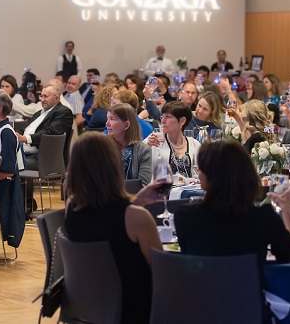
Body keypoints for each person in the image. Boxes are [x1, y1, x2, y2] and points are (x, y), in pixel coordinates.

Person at [175, 141, 290, 322]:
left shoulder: (185, 217)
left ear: (210, 176)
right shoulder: (262, 217)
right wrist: (287, 211)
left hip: (199, 311)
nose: (198, 173)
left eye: (201, 169)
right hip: (249, 312)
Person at [64, 132, 161, 324]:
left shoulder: (71, 207)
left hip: (89, 305)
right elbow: (161, 270)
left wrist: (136, 201)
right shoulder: (137, 218)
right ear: (114, 166)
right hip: (134, 310)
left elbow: (104, 214)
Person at [15, 85, 73, 171]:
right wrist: (14, 133)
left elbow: (51, 133)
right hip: (24, 152)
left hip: (43, 159)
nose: (42, 99)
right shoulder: (39, 113)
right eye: (41, 96)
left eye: (46, 96)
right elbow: (27, 130)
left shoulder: (63, 112)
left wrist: (26, 139)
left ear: (57, 97)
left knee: (9, 164)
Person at [144, 101, 201, 178]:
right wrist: (145, 146)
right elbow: (135, 162)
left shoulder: (194, 144)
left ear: (182, 121)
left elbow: (201, 173)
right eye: (162, 117)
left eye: (168, 117)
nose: (163, 121)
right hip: (163, 189)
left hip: (190, 189)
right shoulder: (154, 140)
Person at [106, 103, 153, 185]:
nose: (107, 123)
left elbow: (143, 186)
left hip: (135, 197)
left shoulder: (143, 150)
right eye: (107, 119)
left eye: (112, 119)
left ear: (126, 125)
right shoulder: (103, 148)